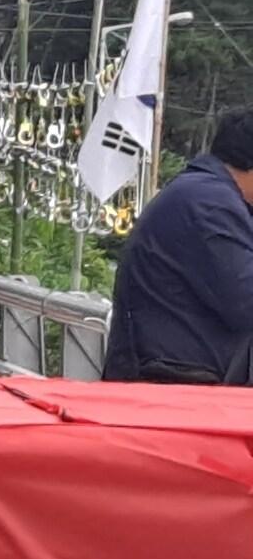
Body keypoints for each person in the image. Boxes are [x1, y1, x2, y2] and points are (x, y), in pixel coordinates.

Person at [104, 110, 253, 385]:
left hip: (173, 375)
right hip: (171, 383)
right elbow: (246, 301)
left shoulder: (205, 192)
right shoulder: (211, 202)